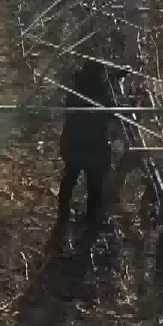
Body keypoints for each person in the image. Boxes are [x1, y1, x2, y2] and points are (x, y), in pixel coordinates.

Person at [56, 57, 123, 236]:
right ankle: (90, 218)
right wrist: (115, 82)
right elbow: (113, 110)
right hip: (94, 147)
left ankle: (63, 213)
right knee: (94, 184)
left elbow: (103, 88)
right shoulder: (101, 96)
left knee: (70, 178)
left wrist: (116, 76)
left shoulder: (76, 89)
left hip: (73, 144)